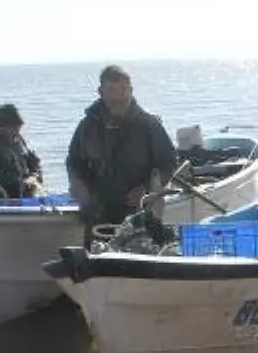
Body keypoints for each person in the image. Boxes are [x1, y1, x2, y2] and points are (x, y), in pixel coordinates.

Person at [65, 65, 178, 238]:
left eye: (124, 89)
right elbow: (74, 160)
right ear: (100, 91)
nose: (119, 95)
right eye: (112, 89)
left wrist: (146, 189)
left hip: (137, 210)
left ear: (131, 91)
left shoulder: (148, 125)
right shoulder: (87, 126)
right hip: (98, 211)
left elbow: (168, 162)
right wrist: (77, 183)